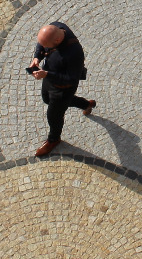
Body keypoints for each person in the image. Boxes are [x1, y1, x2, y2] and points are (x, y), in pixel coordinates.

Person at [30, 21, 94, 157]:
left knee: (54, 115)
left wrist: (47, 74)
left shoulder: (75, 53)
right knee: (46, 99)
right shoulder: (56, 27)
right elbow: (41, 44)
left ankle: (54, 139)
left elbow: (71, 79)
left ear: (58, 40)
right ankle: (86, 104)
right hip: (50, 79)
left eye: (46, 46)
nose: (44, 47)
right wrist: (37, 57)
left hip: (63, 88)